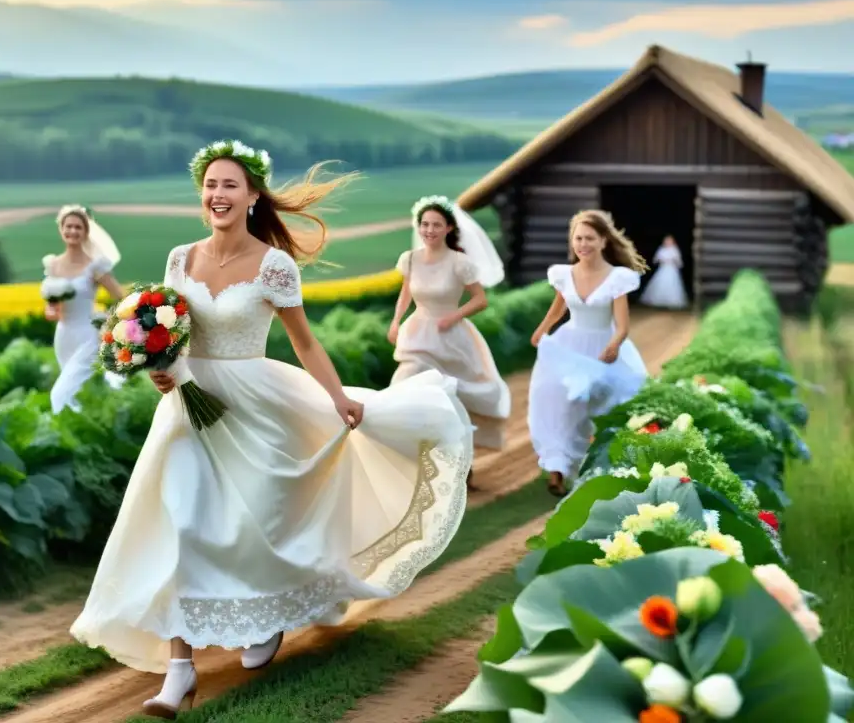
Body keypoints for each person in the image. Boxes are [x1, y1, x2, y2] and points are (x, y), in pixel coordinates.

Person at [70, 140, 473, 718]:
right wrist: (160, 369)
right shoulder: (180, 258)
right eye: (210, 185)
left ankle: (270, 613)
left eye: (230, 185)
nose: (218, 195)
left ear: (253, 196)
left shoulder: (274, 265)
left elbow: (304, 341)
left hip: (256, 406)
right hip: (188, 407)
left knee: (252, 525)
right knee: (182, 523)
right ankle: (179, 672)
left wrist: (337, 399)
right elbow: (172, 331)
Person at [388, 195, 510, 487]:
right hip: (418, 335)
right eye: (425, 224)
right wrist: (396, 321)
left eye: (436, 225)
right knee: (408, 384)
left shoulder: (460, 263)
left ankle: (461, 460)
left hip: (452, 338)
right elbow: (406, 293)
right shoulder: (410, 259)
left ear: (448, 228)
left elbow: (480, 300)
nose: (429, 230)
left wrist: (453, 317)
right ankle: (416, 457)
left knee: (455, 397)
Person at [527, 209, 649, 498]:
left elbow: (622, 325)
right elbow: (559, 308)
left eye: (589, 239)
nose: (583, 244)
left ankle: (602, 468)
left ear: (603, 241)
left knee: (603, 407)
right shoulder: (563, 275)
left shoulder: (618, 278)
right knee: (556, 399)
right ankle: (556, 469)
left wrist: (614, 345)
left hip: (602, 348)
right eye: (578, 239)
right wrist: (542, 330)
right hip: (568, 345)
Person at [44, 205, 127, 413]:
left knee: (60, 394)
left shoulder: (96, 266)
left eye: (78, 227)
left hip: (88, 334)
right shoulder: (53, 265)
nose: (72, 231)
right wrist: (51, 312)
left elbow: (121, 298)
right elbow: (50, 306)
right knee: (77, 392)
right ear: (61, 230)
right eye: (68, 226)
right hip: (63, 336)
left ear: (86, 232)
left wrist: (109, 318)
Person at [639, 234, 689, 309]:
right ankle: (658, 301)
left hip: (672, 269)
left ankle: (672, 302)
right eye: (666, 241)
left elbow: (679, 262)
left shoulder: (675, 249)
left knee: (671, 284)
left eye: (669, 241)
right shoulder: (661, 249)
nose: (668, 242)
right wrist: (661, 260)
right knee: (660, 284)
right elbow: (655, 260)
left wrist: (673, 260)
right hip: (663, 268)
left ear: (672, 242)